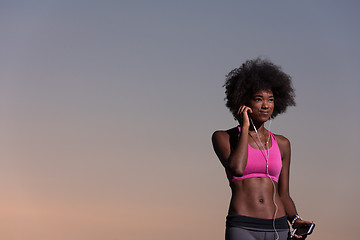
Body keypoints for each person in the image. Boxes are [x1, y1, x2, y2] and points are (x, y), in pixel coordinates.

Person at [212, 58, 314, 240]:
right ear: (243, 101)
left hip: (279, 227)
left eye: (271, 100)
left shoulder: (282, 144)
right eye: (259, 99)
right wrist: (244, 127)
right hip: (242, 226)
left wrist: (296, 220)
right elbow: (237, 168)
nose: (266, 105)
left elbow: (284, 194)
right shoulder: (223, 137)